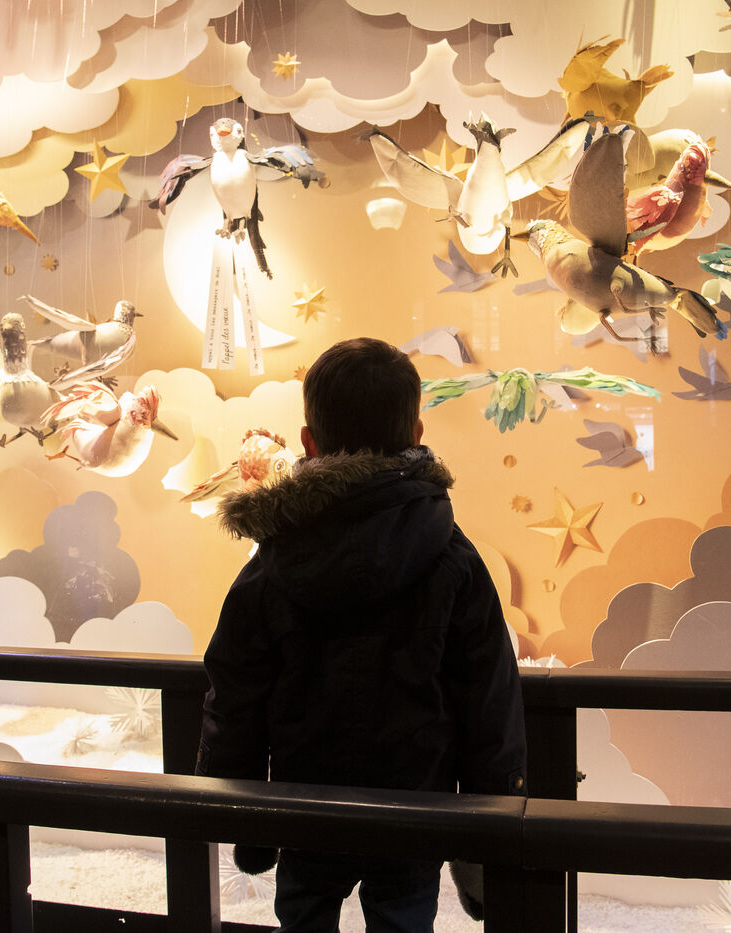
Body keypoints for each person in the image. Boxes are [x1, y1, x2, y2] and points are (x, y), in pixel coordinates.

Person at [196, 336, 526, 931]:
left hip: (304, 806)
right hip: (415, 810)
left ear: (308, 441)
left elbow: (234, 694)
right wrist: (485, 828)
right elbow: (490, 701)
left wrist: (246, 819)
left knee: (303, 918)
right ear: (417, 433)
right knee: (403, 918)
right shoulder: (453, 558)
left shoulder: (271, 564)